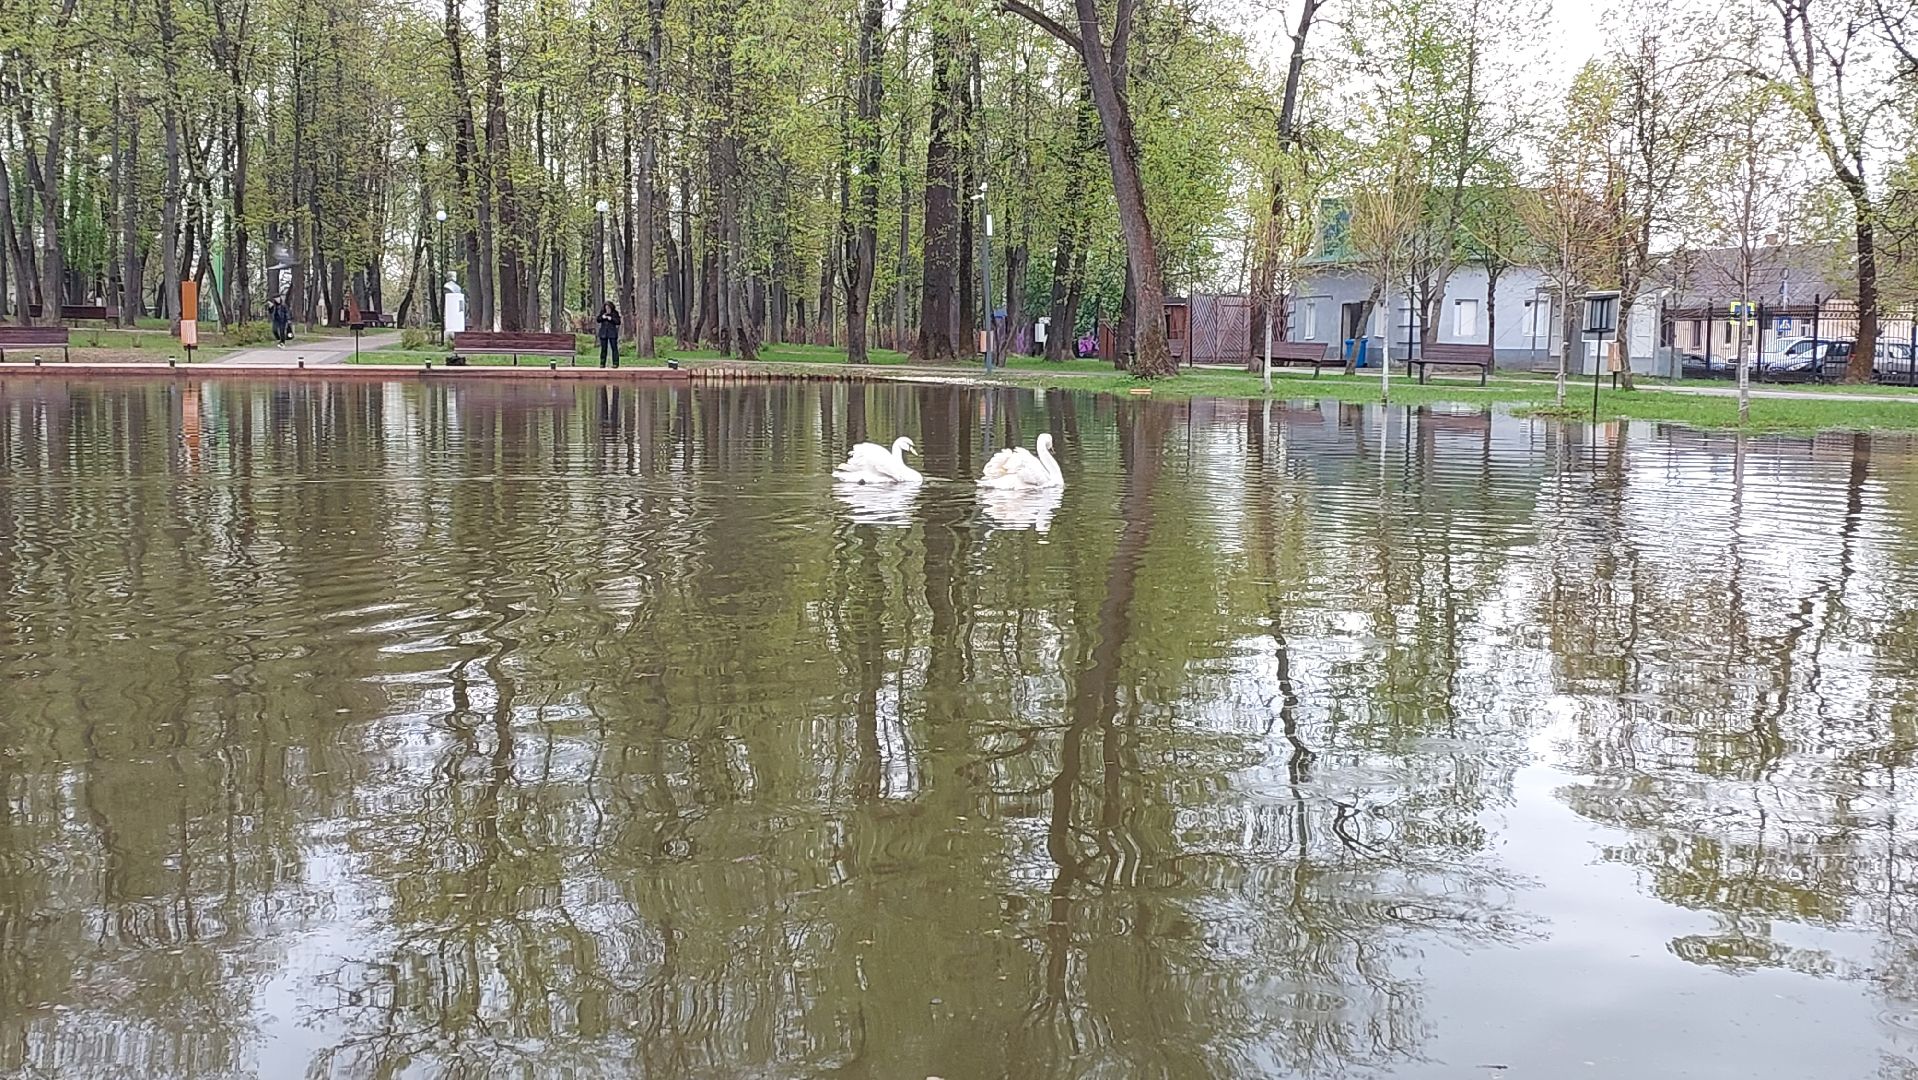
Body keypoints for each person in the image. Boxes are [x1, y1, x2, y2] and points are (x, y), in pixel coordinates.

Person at [596, 301, 622, 368]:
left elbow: (618, 322)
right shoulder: (602, 313)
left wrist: (611, 319)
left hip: (612, 333)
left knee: (614, 348)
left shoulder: (615, 313)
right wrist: (603, 317)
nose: (607, 309)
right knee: (603, 349)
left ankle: (615, 363)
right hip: (604, 333)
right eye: (606, 307)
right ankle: (602, 363)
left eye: (608, 308)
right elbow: (598, 319)